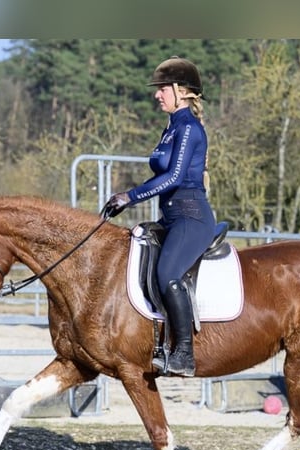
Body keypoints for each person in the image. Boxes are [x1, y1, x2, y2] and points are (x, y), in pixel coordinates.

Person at [104, 56, 217, 377]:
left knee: (167, 275)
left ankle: (183, 353)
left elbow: (174, 178)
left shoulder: (190, 128)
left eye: (163, 89)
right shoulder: (171, 128)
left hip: (191, 218)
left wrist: (130, 196)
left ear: (182, 92)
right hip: (171, 218)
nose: (157, 95)